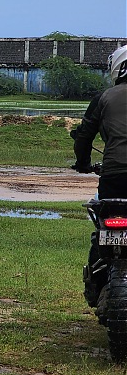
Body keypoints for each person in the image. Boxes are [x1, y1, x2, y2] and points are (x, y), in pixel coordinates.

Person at [73, 44, 127, 307]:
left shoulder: (104, 97)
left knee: (102, 224)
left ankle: (95, 283)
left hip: (114, 178)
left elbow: (84, 137)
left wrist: (82, 163)